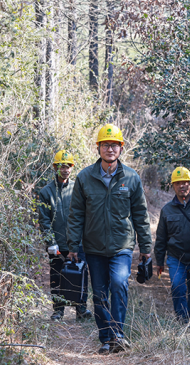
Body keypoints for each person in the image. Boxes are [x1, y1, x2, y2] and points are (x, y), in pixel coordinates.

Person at [66, 124, 152, 354]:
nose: (110, 149)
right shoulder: (84, 177)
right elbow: (75, 214)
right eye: (106, 145)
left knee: (119, 283)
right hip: (93, 247)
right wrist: (73, 245)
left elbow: (141, 215)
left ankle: (118, 334)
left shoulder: (131, 178)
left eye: (114, 145)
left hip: (121, 246)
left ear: (121, 148)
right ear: (98, 148)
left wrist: (145, 247)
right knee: (100, 292)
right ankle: (106, 338)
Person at [38, 150, 92, 321]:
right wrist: (50, 242)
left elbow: (86, 215)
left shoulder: (79, 188)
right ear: (55, 167)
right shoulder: (46, 192)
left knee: (81, 275)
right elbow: (44, 220)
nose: (65, 169)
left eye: (68, 166)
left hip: (78, 243)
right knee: (56, 276)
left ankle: (81, 309)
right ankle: (58, 310)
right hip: (57, 244)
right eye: (62, 166)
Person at [155, 167, 190, 329]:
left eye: (185, 182)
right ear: (173, 186)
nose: (182, 186)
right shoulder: (167, 210)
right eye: (178, 183)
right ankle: (182, 322)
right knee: (178, 287)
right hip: (176, 258)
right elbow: (161, 238)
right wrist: (159, 261)